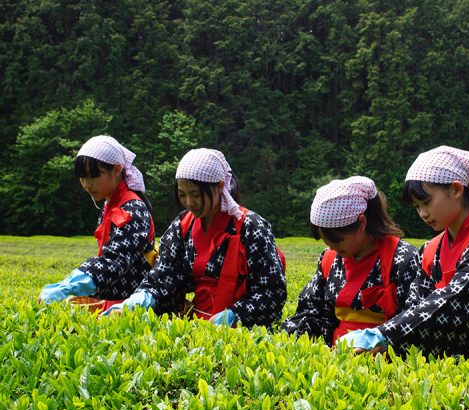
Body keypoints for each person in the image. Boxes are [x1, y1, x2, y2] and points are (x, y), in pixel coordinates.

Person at [339, 146, 469, 371]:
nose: (423, 214)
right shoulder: (430, 250)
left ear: (456, 190)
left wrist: (384, 333)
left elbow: (447, 306)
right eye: (417, 207)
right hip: (446, 372)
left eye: (426, 202)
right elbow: (414, 310)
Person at [104, 148, 287, 328]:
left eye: (196, 195)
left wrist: (234, 316)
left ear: (220, 186)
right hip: (195, 325)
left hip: (242, 329)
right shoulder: (183, 225)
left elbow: (273, 292)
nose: (189, 203)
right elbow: (164, 274)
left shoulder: (252, 227)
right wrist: (140, 299)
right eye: (182, 195)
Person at [281, 176, 420, 346]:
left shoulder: (403, 259)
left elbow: (415, 319)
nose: (332, 248)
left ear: (362, 222)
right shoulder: (329, 259)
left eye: (338, 241)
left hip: (382, 360)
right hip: (335, 358)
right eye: (327, 242)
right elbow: (310, 311)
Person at [38, 135, 156, 311]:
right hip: (113, 298)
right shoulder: (111, 205)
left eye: (93, 176)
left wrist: (68, 286)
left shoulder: (132, 210)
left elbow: (114, 262)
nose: (86, 184)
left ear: (116, 170)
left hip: (130, 305)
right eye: (82, 177)